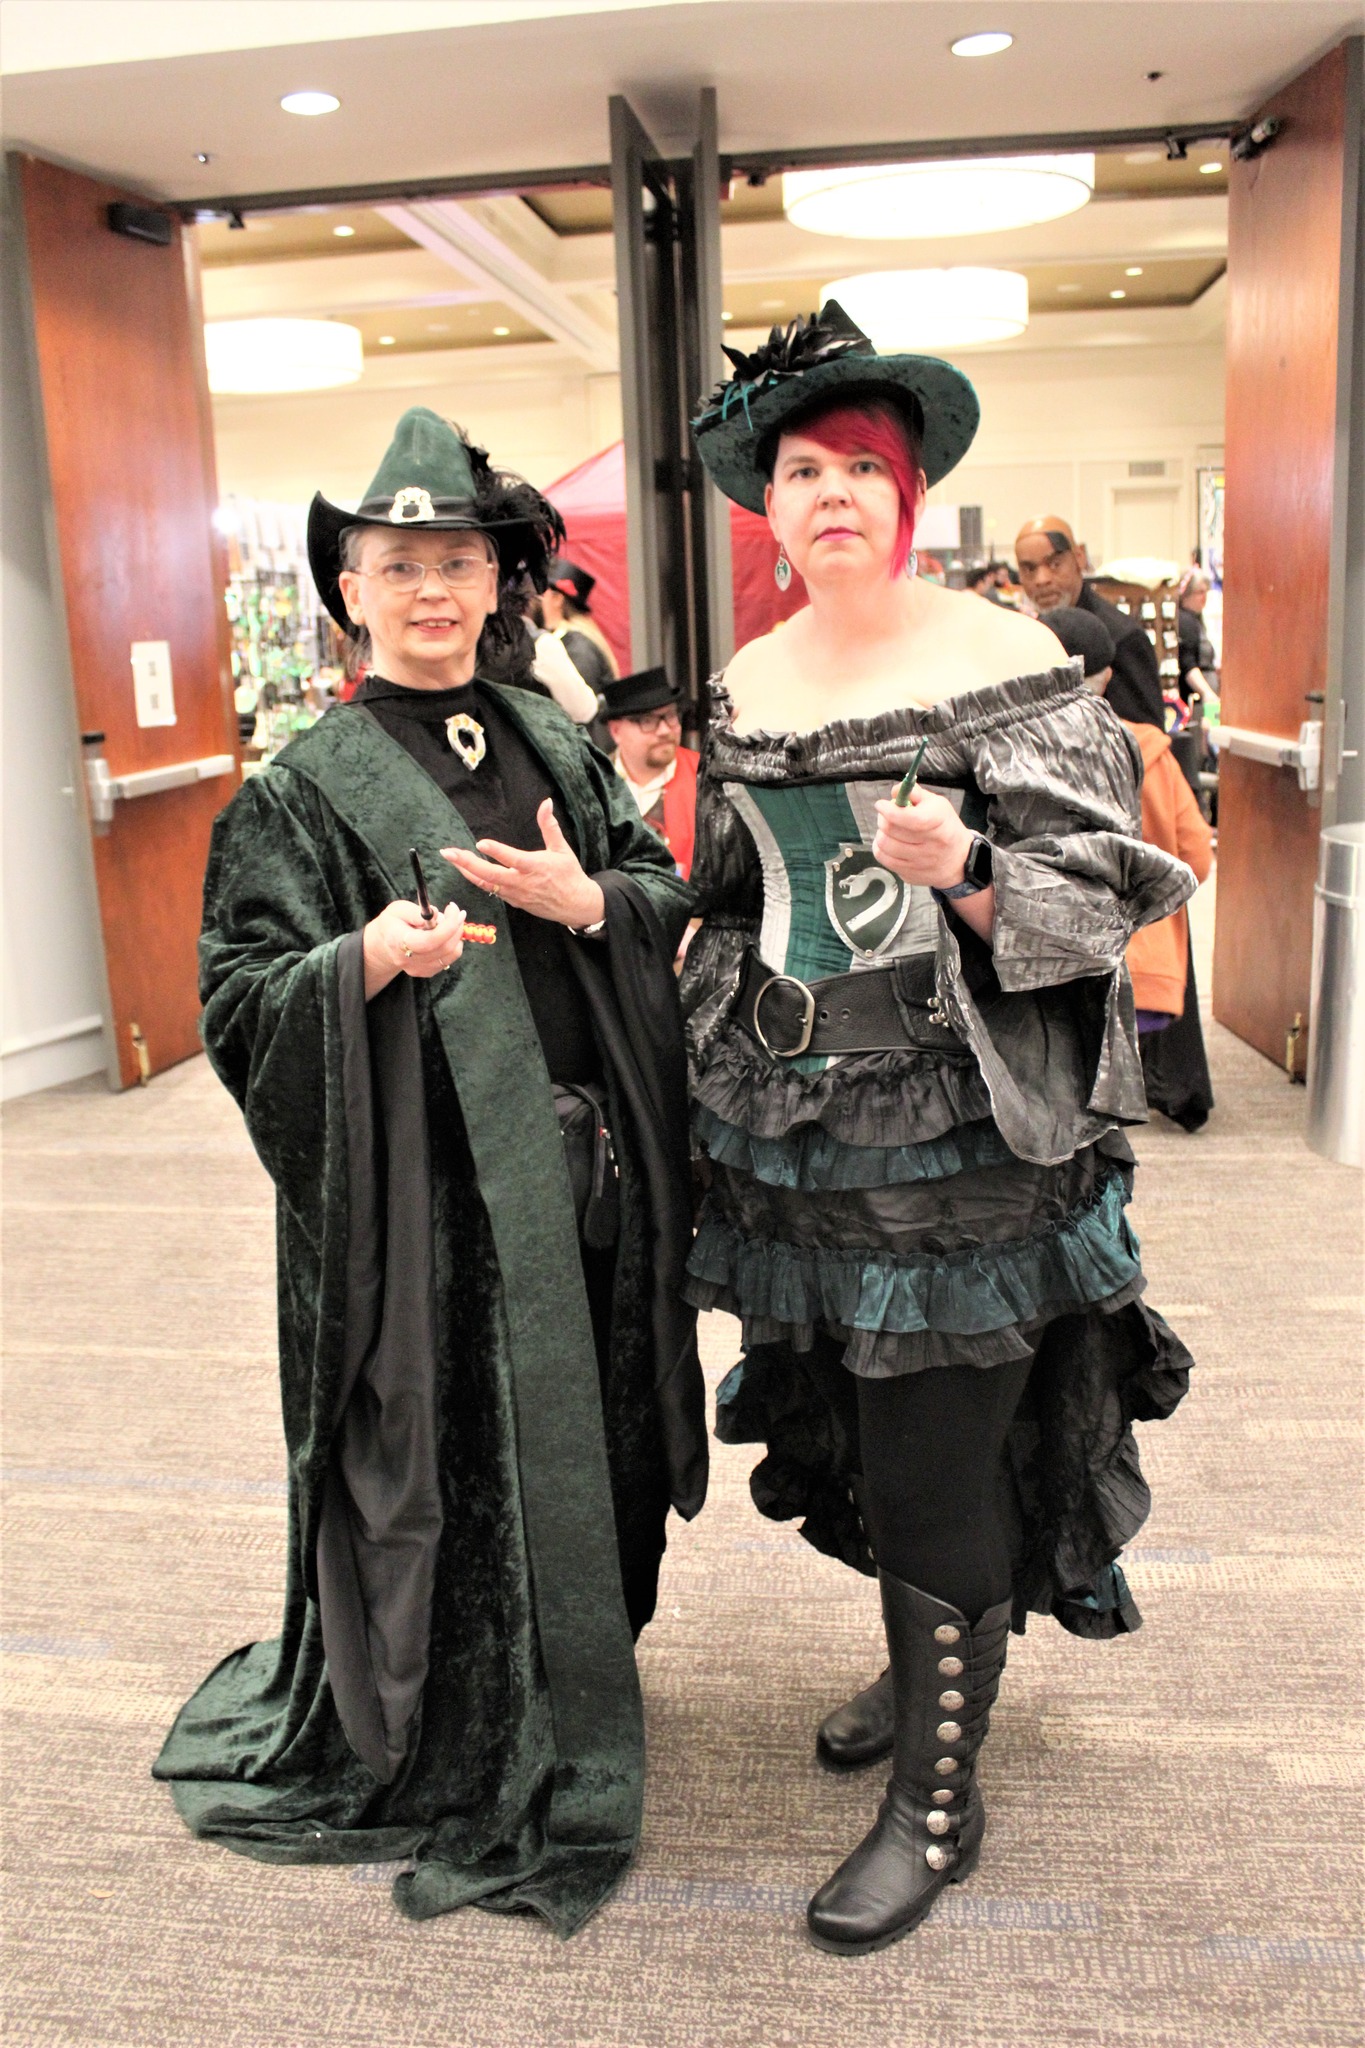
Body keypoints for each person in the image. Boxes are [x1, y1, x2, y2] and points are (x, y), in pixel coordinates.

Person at [684, 303, 1196, 1955]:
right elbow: (733, 889)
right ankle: (932, 1674)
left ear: (908, 494)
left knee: (934, 1453)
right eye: (803, 470)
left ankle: (936, 1802)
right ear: (769, 504)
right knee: (861, 1423)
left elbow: (1106, 898)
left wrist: (968, 872)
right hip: (796, 1127)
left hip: (961, 1141)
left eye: (862, 466)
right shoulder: (752, 674)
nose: (831, 492)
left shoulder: (1003, 662)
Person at [153, 408, 706, 1935]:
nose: (431, 591)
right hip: (432, 1214)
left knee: (593, 1433)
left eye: (457, 562)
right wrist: (361, 965)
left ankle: (576, 1664)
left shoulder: (552, 737)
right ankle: (461, 1711)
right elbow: (236, 994)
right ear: (349, 590)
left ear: (497, 581)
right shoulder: (299, 789)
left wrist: (588, 900)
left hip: (588, 1175)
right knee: (449, 1460)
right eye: (397, 566)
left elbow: (658, 888)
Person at [1044, 606, 1216, 1131]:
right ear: (1108, 676)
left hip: (1048, 959)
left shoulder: (1025, 752)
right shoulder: (1152, 754)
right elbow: (1197, 859)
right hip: (1138, 963)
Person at [1014, 514, 1164, 727]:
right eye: (1029, 569)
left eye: (1055, 564)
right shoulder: (1033, 637)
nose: (1042, 579)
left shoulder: (1121, 637)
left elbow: (1147, 736)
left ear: (1079, 557)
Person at [603, 666, 699, 880]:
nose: (665, 730)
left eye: (671, 716)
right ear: (616, 731)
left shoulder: (705, 778)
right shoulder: (595, 785)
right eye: (647, 720)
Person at [540, 556, 619, 697]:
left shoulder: (578, 648)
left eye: (541, 594)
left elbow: (579, 702)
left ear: (557, 599)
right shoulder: (572, 641)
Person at [1175, 567, 1219, 700]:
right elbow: (1188, 664)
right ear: (1187, 594)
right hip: (1197, 698)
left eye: (1206, 592)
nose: (1204, 597)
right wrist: (1207, 693)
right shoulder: (1185, 621)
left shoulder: (1196, 619)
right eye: (1200, 592)